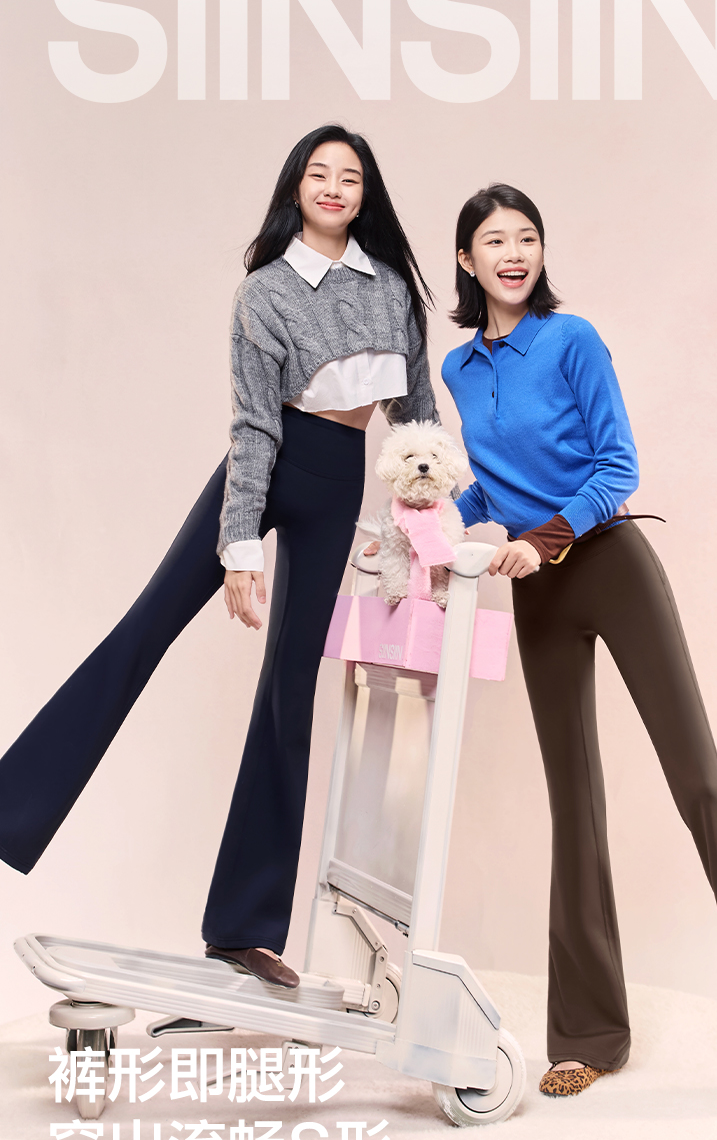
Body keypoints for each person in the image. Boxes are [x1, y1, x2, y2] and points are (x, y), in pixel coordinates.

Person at [0, 124, 439, 988]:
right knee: (146, 629)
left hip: (339, 481)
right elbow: (253, 427)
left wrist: (425, 522)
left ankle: (242, 925)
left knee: (289, 694)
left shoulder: (391, 290)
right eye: (319, 173)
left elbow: (416, 416)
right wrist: (240, 545)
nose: (334, 187)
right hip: (265, 468)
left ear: (365, 195)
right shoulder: (265, 292)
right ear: (296, 187)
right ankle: (11, 805)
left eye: (350, 177)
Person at [441, 182, 717, 1096]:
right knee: (575, 804)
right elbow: (493, 484)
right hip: (536, 590)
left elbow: (616, 465)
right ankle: (589, 1035)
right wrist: (431, 521)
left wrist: (542, 540)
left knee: (699, 783)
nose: (514, 253)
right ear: (467, 261)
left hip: (609, 563)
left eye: (527, 237)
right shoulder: (459, 369)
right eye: (494, 241)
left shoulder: (573, 340)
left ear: (541, 251)